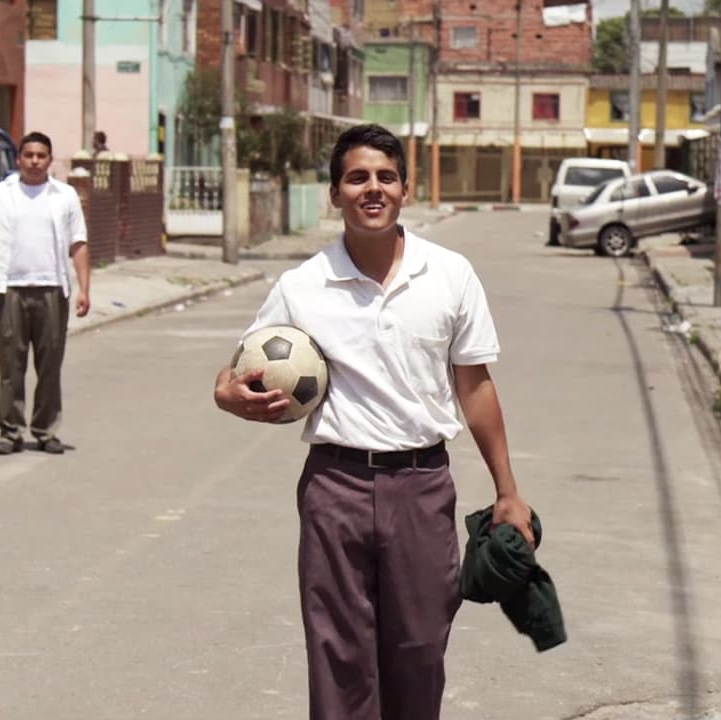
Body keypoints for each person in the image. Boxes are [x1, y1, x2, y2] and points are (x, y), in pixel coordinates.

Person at [213, 124, 532, 720]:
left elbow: (475, 386)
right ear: (335, 193)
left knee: (421, 649)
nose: (373, 188)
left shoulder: (450, 274)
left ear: (406, 189)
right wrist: (228, 395)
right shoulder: (301, 286)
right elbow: (237, 370)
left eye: (386, 177)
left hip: (422, 486)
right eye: (357, 177)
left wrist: (507, 491)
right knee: (339, 654)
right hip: (336, 487)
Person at [0, 131, 91, 455]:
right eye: (29, 155)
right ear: (18, 159)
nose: (35, 161)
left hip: (52, 289)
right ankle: (10, 431)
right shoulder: (1, 194)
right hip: (10, 288)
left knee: (50, 364)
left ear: (50, 160)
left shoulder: (64, 196)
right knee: (11, 365)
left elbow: (78, 243)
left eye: (41, 156)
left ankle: (45, 429)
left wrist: (84, 288)